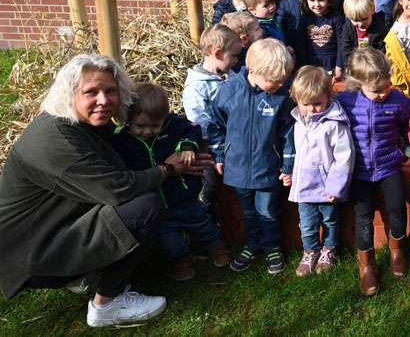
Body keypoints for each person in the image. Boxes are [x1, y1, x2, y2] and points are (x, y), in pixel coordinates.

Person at [0, 54, 200, 327]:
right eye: (91, 92)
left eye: (111, 91)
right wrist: (168, 169)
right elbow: (119, 189)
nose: (103, 100)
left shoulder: (84, 124)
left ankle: (86, 272)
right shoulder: (56, 139)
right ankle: (107, 303)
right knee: (146, 207)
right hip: (32, 251)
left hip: (52, 227)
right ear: (69, 93)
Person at [113, 83, 232, 281]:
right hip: (155, 201)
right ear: (128, 118)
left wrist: (187, 146)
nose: (147, 131)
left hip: (183, 195)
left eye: (155, 126)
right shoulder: (122, 139)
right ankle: (181, 259)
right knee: (167, 238)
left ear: (164, 119)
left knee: (200, 222)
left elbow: (192, 129)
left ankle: (217, 246)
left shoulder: (173, 125)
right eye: (140, 126)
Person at [208, 38, 296, 276]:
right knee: (248, 211)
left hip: (268, 168)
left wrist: (288, 164)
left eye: (283, 79)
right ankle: (253, 244)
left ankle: (272, 246)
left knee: (268, 211)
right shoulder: (229, 91)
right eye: (275, 80)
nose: (280, 84)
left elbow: (288, 133)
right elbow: (216, 125)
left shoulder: (280, 98)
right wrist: (219, 154)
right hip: (236, 168)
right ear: (254, 72)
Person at [336, 48, 410, 296]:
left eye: (386, 87)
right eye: (376, 90)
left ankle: (397, 251)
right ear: (358, 84)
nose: (382, 94)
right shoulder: (345, 101)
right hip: (358, 171)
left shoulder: (399, 101)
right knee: (363, 216)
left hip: (389, 165)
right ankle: (366, 265)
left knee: (397, 209)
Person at [284, 66, 354, 276]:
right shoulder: (298, 122)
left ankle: (328, 250)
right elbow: (294, 149)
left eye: (318, 103)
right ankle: (310, 251)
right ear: (297, 99)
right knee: (306, 223)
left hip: (327, 186)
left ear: (328, 96)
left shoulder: (334, 124)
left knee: (330, 220)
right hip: (304, 183)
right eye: (306, 104)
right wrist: (289, 171)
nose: (312, 109)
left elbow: (344, 156)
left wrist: (336, 186)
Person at [182, 24, 242, 216]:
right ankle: (206, 209)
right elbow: (200, 121)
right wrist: (215, 145)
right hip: (212, 149)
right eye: (233, 56)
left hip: (235, 140)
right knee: (213, 183)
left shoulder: (229, 75)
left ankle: (231, 215)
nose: (236, 60)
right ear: (218, 53)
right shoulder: (197, 88)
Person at [298, 0, 346, 81]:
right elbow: (301, 45)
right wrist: (305, 66)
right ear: (306, 0)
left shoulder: (336, 18)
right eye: (312, 0)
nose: (317, 5)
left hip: (332, 64)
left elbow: (341, 44)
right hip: (311, 63)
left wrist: (338, 67)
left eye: (321, 0)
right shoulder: (304, 18)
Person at [341, 0, 387, 69]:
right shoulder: (347, 29)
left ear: (373, 10)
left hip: (374, 69)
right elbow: (346, 54)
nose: (360, 24)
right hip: (354, 69)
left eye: (364, 19)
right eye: (355, 20)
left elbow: (381, 54)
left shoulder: (380, 29)